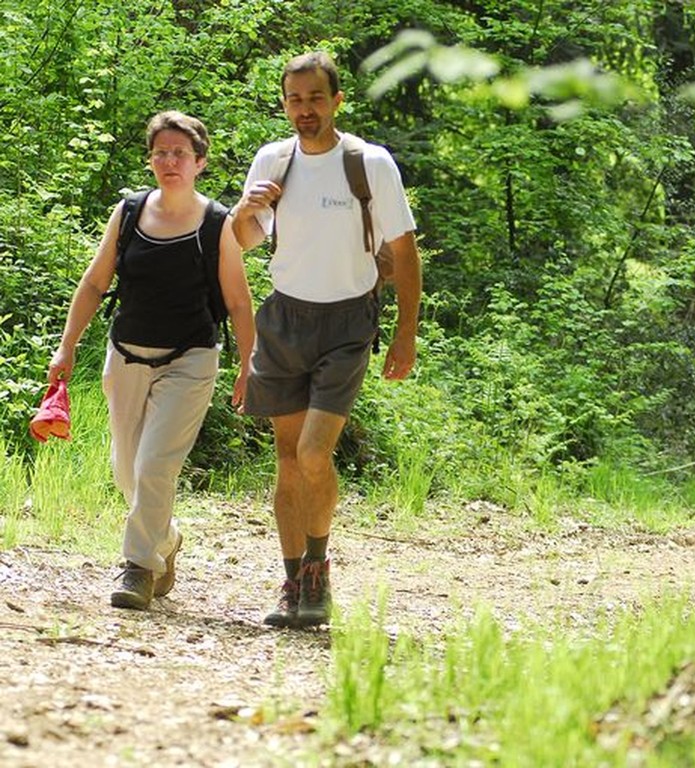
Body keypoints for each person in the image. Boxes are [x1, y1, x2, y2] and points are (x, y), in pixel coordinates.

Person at [232, 51, 421, 629]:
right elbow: (241, 241)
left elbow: (405, 252)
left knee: (315, 452)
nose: (305, 110)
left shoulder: (369, 163)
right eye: (294, 99)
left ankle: (319, 569)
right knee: (288, 459)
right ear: (284, 103)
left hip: (347, 322)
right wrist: (247, 208)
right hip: (284, 320)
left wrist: (405, 334)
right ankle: (295, 584)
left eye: (316, 98)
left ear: (337, 101)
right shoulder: (274, 160)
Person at [48, 111, 255, 610]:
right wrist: (67, 343)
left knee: (155, 465)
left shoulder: (217, 223)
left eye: (180, 153)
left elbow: (238, 301)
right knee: (128, 469)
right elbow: (96, 283)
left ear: (199, 162)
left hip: (191, 359)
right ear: (150, 159)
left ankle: (137, 568)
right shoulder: (128, 212)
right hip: (126, 356)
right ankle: (166, 539)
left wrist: (250, 364)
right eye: (160, 152)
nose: (169, 161)